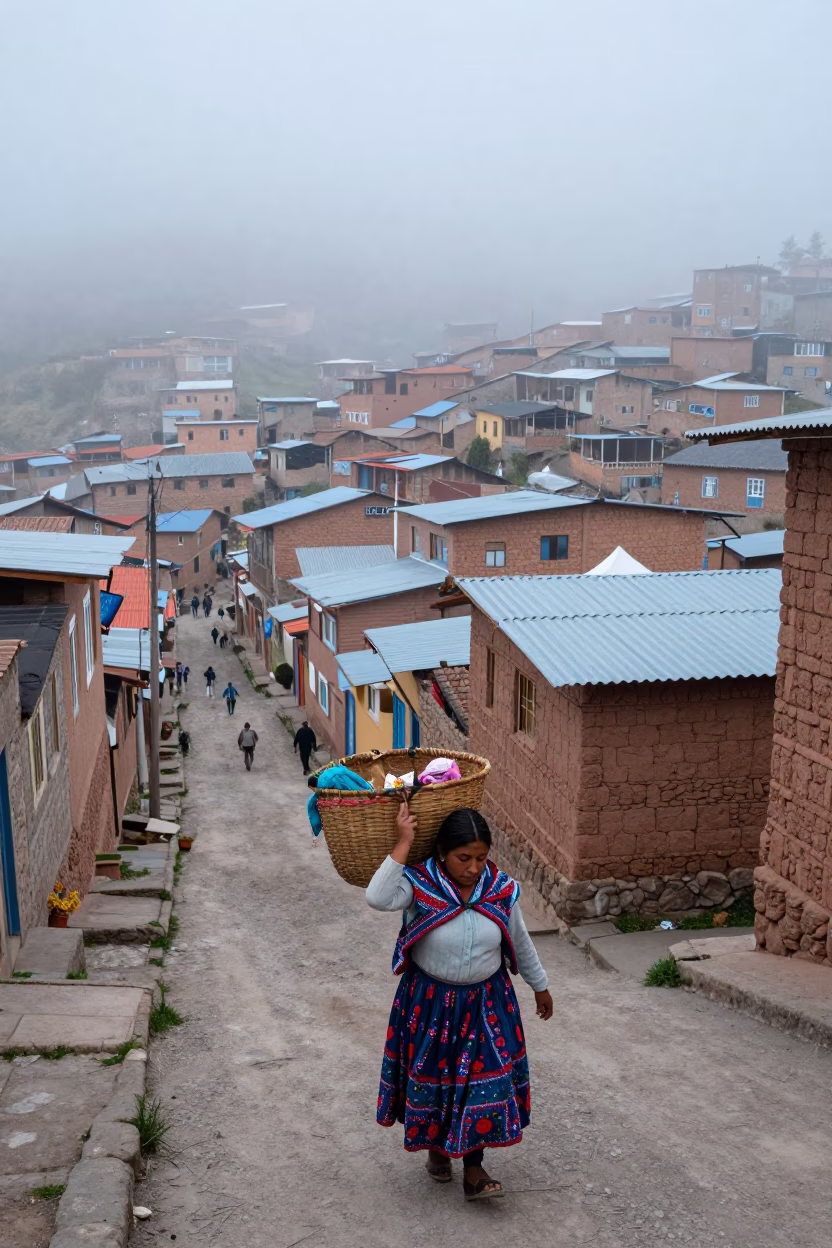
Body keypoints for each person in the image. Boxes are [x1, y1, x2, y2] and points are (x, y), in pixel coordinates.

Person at [367, 804, 553, 1203]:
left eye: (481, 857)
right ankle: (437, 1150)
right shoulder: (418, 885)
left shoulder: (501, 890)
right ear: (442, 853)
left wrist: (540, 985)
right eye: (463, 858)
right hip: (430, 1004)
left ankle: (473, 1168)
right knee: (436, 1080)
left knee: (482, 1082)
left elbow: (519, 940)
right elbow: (377, 897)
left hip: (486, 1004)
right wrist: (404, 843)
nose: (473, 868)